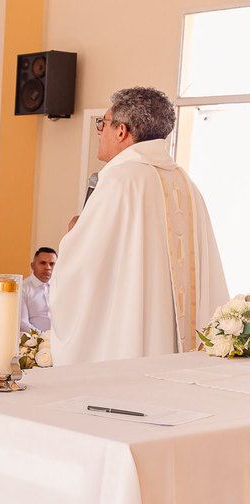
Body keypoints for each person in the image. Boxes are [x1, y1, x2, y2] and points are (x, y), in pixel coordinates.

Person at [51, 87, 229, 365]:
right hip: (179, 353)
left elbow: (82, 268)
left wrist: (74, 235)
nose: (100, 131)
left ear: (121, 131)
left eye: (103, 123)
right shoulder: (186, 182)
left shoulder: (121, 180)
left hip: (130, 341)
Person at [20, 247, 56, 333]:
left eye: (52, 264)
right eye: (43, 263)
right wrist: (43, 337)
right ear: (33, 266)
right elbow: (22, 323)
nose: (48, 267)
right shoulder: (22, 288)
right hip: (33, 341)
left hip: (59, 341)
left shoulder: (60, 287)